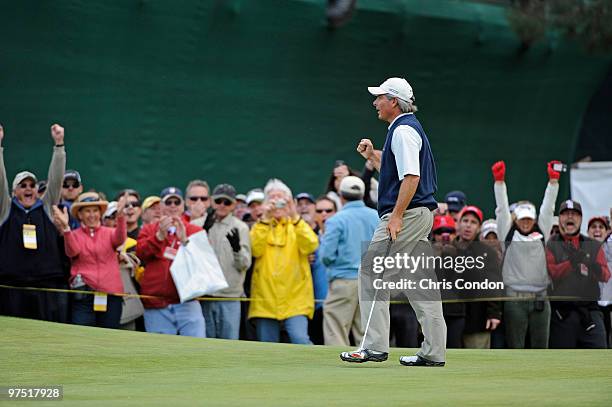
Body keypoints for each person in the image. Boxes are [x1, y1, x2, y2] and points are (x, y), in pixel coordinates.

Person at [340, 77, 446, 366]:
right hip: (421, 214)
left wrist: (397, 216)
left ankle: (373, 347)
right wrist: (372, 156)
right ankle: (434, 352)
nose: (375, 102)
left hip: (408, 214)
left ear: (394, 102)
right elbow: (397, 169)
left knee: (371, 273)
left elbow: (412, 177)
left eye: (380, 97)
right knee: (419, 283)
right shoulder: (405, 130)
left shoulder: (402, 131)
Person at [0, 123, 69, 323]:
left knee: (45, 335)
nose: (28, 189)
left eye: (32, 185)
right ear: (14, 192)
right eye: (23, 186)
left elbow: (56, 180)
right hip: (11, 285)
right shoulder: (5, 210)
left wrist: (59, 146)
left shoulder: (46, 208)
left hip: (45, 285)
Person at [491, 160, 560, 349]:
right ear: (516, 219)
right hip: (515, 299)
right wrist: (499, 183)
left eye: (529, 219)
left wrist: (553, 182)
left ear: (534, 218)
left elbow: (548, 209)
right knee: (516, 348)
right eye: (522, 219)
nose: (526, 222)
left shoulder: (542, 233)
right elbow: (502, 210)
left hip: (541, 299)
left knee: (541, 348)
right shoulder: (508, 233)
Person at [248, 179, 319, 344]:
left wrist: (294, 215)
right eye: (272, 199)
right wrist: (265, 218)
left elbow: (311, 245)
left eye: (282, 200)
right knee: (267, 348)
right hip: (265, 300)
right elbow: (254, 249)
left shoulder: (298, 225)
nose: (278, 204)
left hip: (296, 300)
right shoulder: (261, 226)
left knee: (300, 340)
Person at [136, 187, 206, 337]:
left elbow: (203, 263)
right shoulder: (149, 229)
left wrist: (185, 241)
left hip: (187, 302)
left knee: (195, 350)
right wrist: (159, 237)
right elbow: (141, 254)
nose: (173, 206)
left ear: (182, 206)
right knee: (160, 354)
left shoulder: (195, 230)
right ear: (161, 206)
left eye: (176, 202)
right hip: (156, 304)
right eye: (169, 202)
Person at [53, 192, 129, 328]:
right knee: (82, 336)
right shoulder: (73, 235)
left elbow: (120, 238)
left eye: (95, 210)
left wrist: (121, 216)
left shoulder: (110, 233)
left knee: (109, 337)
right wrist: (66, 229)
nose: (92, 215)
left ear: (100, 213)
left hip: (110, 294)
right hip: (84, 295)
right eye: (87, 211)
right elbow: (72, 251)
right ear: (80, 215)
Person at [320, 176, 379, 346]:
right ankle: (369, 369)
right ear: (362, 195)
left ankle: (338, 370)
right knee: (365, 331)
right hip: (370, 280)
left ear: (341, 196)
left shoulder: (336, 220)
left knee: (336, 328)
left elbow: (326, 255)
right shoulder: (376, 217)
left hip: (344, 280)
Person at [546, 200, 610, 348]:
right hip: (562, 313)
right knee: (564, 364)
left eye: (574, 214)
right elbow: (552, 272)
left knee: (600, 358)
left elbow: (605, 275)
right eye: (566, 214)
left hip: (589, 312)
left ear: (580, 219)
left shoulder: (592, 245)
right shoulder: (552, 244)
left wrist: (590, 263)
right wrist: (571, 263)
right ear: (560, 219)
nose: (570, 217)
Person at [203, 184, 251, 340]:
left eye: (227, 202)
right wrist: (202, 234)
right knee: (204, 344)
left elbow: (245, 264)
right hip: (205, 294)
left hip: (229, 296)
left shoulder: (241, 227)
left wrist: (237, 250)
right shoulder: (199, 223)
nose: (222, 205)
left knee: (229, 344)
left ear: (234, 205)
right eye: (219, 201)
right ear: (211, 201)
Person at [454, 206, 503, 349]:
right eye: (465, 220)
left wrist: (494, 313)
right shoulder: (448, 249)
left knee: (476, 360)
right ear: (458, 223)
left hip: (477, 318)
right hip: (450, 318)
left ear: (479, 227)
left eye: (473, 222)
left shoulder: (488, 253)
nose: (468, 225)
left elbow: (493, 284)